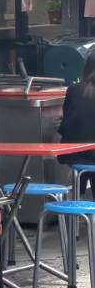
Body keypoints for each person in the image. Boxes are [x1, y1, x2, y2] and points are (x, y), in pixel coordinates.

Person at [56, 54, 95, 194]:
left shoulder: (73, 89)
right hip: (89, 155)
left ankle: (78, 199)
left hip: (73, 154)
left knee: (84, 165)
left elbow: (67, 119)